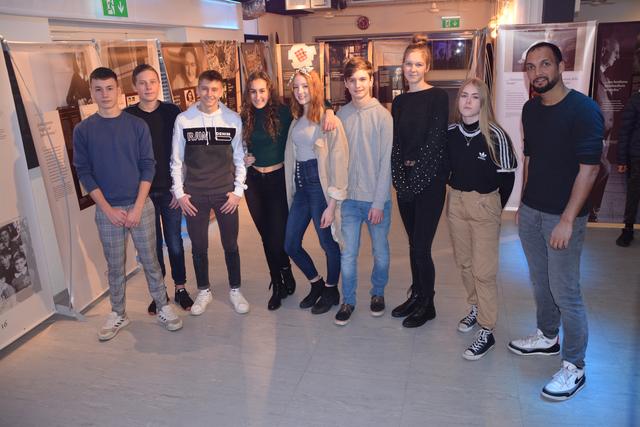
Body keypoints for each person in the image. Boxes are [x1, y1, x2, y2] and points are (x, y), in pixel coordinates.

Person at [508, 42, 603, 401]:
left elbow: (589, 168)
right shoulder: (531, 110)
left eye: (545, 64)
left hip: (564, 217)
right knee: (539, 280)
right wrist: (524, 203)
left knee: (566, 291)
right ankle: (547, 337)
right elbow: (529, 157)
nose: (537, 73)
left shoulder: (584, 110)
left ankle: (575, 366)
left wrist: (566, 219)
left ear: (561, 65)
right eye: (531, 67)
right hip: (532, 212)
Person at [73, 67, 183, 341]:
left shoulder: (136, 126)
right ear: (91, 93)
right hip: (107, 210)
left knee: (151, 260)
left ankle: (163, 305)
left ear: (119, 91)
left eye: (110, 88)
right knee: (114, 265)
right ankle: (118, 312)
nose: (105, 94)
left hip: (139, 206)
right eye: (98, 89)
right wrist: (108, 210)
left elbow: (148, 166)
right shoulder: (83, 130)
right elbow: (84, 172)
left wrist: (136, 206)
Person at [240, 70, 337, 311]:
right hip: (258, 182)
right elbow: (237, 146)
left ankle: (326, 286)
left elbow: (315, 100)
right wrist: (242, 158)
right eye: (253, 91)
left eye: (262, 90)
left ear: (270, 91)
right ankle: (283, 282)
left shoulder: (284, 112)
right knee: (275, 239)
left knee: (296, 239)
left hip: (283, 181)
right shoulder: (246, 116)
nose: (258, 96)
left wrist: (331, 109)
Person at [446, 78, 517, 359]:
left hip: (484, 204)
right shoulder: (450, 132)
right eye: (464, 95)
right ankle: (474, 308)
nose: (468, 101)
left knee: (483, 271)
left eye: (475, 97)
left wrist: (494, 209)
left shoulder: (495, 135)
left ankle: (487, 329)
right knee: (464, 263)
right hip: (457, 203)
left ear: (483, 102)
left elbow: (507, 177)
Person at [171, 69, 249, 315]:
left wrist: (238, 191)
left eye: (214, 89)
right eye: (204, 88)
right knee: (198, 246)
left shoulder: (232, 119)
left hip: (225, 194)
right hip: (195, 196)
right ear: (197, 89)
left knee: (230, 244)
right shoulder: (184, 120)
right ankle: (203, 290)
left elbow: (239, 159)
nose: (209, 94)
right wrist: (180, 194)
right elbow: (176, 161)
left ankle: (235, 290)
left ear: (221, 91)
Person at [390, 34, 449, 328]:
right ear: (402, 66)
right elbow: (397, 145)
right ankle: (417, 294)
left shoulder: (438, 97)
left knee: (422, 247)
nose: (412, 69)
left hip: (430, 183)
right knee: (413, 244)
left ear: (426, 67)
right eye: (408, 64)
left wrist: (415, 182)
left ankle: (429, 304)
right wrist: (400, 181)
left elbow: (435, 142)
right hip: (407, 182)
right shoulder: (399, 102)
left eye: (418, 64)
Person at [125, 64, 194, 314]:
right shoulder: (128, 116)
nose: (148, 87)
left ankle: (180, 287)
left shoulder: (172, 111)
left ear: (158, 84)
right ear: (134, 87)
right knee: (151, 247)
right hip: (143, 194)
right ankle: (159, 292)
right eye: (142, 83)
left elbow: (183, 152)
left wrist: (180, 188)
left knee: (175, 242)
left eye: (152, 81)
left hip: (170, 191)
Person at [283, 68, 349, 315]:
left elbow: (340, 162)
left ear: (314, 88)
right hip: (301, 187)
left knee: (327, 243)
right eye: (296, 87)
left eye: (305, 86)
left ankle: (332, 289)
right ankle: (316, 282)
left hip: (320, 188)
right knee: (290, 244)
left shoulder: (328, 119)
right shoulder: (295, 119)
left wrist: (332, 204)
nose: (300, 92)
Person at [333, 57, 393, 326]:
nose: (358, 85)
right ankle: (348, 300)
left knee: (380, 253)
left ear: (371, 80)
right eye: (352, 80)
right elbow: (335, 159)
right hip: (349, 202)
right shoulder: (340, 116)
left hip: (375, 200)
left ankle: (378, 293)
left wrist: (378, 202)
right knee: (348, 254)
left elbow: (385, 162)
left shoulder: (383, 116)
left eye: (362, 79)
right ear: (346, 83)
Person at [615, 91, 640, 246]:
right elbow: (625, 131)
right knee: (633, 194)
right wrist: (622, 159)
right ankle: (628, 230)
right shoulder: (636, 100)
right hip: (637, 156)